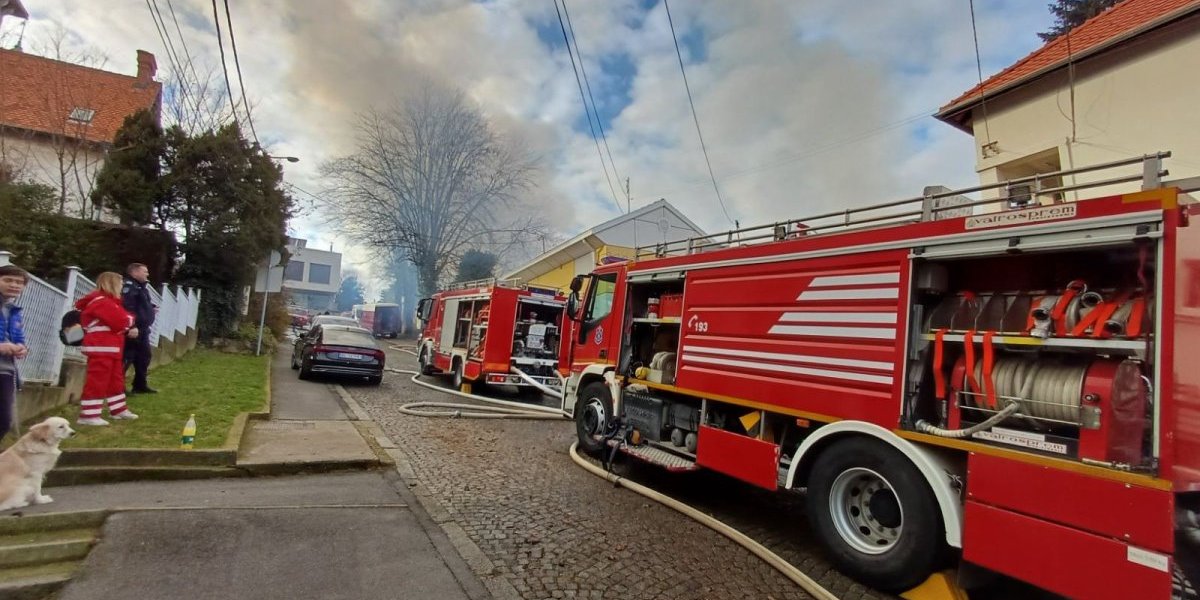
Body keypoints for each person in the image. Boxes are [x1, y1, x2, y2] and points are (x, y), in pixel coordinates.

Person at [77, 272, 139, 426]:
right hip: (101, 347)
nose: (122, 286)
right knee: (97, 381)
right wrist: (129, 321)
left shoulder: (108, 302)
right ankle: (89, 414)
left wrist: (127, 321)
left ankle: (118, 409)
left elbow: (121, 320)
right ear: (112, 283)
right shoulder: (102, 302)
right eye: (120, 283)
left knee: (115, 380)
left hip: (111, 347)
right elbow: (122, 321)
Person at [0, 265, 29, 441]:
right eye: (8, 280)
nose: (14, 285)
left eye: (19, 282)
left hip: (6, 370)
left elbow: (17, 337)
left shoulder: (12, 310)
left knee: (4, 421)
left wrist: (22, 348)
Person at [121, 263, 157, 394]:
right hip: (133, 330)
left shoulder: (141, 287)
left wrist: (151, 308)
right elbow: (127, 307)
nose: (147, 274)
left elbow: (140, 304)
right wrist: (132, 326)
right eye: (145, 271)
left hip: (143, 330)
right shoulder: (129, 287)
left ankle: (140, 385)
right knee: (127, 357)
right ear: (134, 272)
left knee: (144, 357)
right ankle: (119, 388)